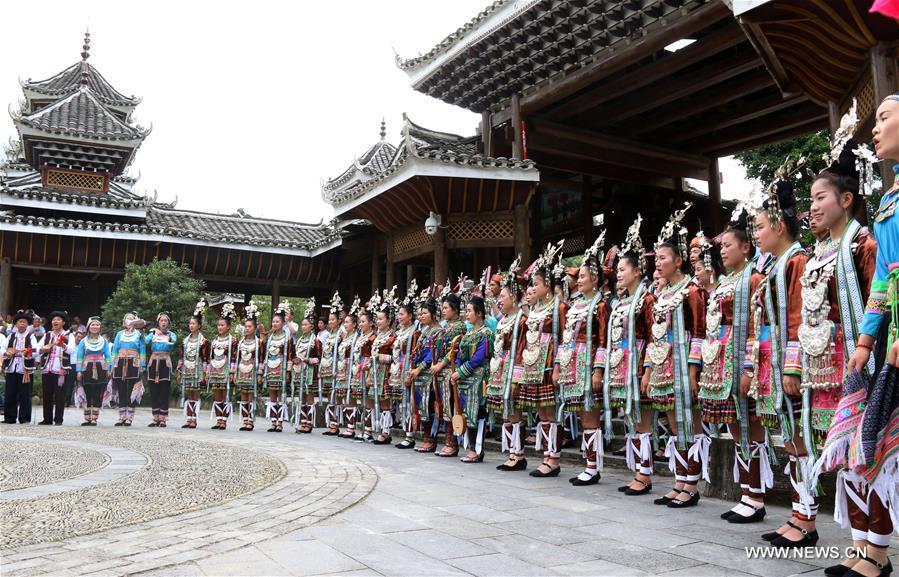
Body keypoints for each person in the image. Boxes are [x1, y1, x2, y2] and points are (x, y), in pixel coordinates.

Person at [819, 95, 898, 577]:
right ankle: (873, 550)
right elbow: (886, 282)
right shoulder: (891, 203)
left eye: (885, 117)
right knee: (873, 444)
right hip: (883, 350)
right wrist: (867, 339)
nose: (876, 128)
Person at [747, 171, 811, 546]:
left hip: (789, 361)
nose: (756, 233)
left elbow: (799, 315)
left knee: (800, 438)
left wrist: (792, 365)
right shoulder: (773, 265)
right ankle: (797, 514)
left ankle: (807, 519)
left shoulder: (797, 261)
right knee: (789, 438)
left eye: (759, 226)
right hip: (772, 361)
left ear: (779, 225)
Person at [695, 211, 769, 522]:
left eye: (729, 245)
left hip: (743, 364)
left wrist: (750, 368)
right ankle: (745, 493)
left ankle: (757, 496)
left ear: (746, 247)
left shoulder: (754, 279)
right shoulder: (727, 283)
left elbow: (759, 323)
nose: (722, 250)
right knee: (735, 429)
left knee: (750, 428)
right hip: (722, 365)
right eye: (721, 246)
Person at [642, 203, 709, 509]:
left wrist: (694, 370)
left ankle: (692, 485)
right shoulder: (660, 295)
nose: (658, 263)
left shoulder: (692, 291)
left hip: (683, 364)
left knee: (688, 422)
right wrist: (648, 370)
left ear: (679, 260)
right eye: (656, 258)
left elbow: (699, 331)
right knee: (672, 422)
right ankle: (679, 479)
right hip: (662, 364)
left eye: (663, 257)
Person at [607, 216, 657, 496]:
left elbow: (652, 336)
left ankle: (644, 473)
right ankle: (639, 470)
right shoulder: (623, 301)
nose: (618, 273)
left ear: (637, 271)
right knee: (633, 421)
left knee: (643, 420)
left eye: (623, 269)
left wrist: (648, 370)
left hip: (639, 364)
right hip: (623, 365)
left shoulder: (647, 300)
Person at [558, 233, 610, 486]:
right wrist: (560, 364)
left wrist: (598, 370)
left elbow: (602, 339)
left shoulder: (601, 306)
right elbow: (566, 338)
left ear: (595, 279)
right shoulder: (574, 305)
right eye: (577, 277)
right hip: (573, 366)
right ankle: (588, 463)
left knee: (591, 416)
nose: (578, 280)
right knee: (581, 416)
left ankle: (592, 466)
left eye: (582, 276)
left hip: (589, 367)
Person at [514, 242, 568, 477]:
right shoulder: (532, 312)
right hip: (533, 365)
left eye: (536, 284)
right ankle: (547, 455)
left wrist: (558, 366)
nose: (532, 288)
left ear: (548, 286)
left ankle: (553, 459)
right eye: (531, 285)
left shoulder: (559, 308)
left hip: (548, 364)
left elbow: (565, 338)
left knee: (550, 411)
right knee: (542, 413)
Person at [489, 258, 529, 471]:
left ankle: (518, 453)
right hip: (500, 368)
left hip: (513, 368)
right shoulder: (504, 320)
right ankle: (513, 452)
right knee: (507, 411)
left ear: (514, 297)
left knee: (515, 410)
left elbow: (522, 349)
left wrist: (516, 377)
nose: (499, 300)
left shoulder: (521, 320)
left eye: (502, 296)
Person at [449, 295, 492, 463]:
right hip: (465, 379)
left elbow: (479, 358)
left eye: (469, 311)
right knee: (466, 412)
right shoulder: (468, 334)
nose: (466, 314)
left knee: (478, 413)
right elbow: (461, 355)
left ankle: (477, 449)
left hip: (479, 377)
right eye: (465, 311)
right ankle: (470, 447)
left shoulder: (486, 333)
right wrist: (457, 369)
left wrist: (461, 371)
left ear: (479, 313)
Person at [430, 290, 468, 457]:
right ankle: (447, 441)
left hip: (450, 370)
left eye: (446, 308)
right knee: (445, 405)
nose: (443, 311)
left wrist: (440, 364)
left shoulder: (459, 327)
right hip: (441, 370)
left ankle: (452, 443)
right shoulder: (446, 327)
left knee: (451, 405)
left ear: (454, 309)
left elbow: (453, 351)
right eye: (442, 308)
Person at [407, 295, 444, 453]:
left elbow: (432, 355)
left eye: (425, 313)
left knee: (428, 406)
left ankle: (431, 439)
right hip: (418, 374)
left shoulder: (438, 331)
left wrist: (419, 368)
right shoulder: (423, 331)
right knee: (421, 407)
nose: (421, 316)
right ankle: (425, 437)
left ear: (433, 314)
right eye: (420, 314)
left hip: (429, 375)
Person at [368, 289, 398, 445]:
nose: (378, 322)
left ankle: (386, 432)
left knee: (385, 402)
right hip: (376, 372)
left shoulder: (393, 337)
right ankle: (381, 430)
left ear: (388, 320)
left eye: (381, 319)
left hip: (386, 372)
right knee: (378, 401)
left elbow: (397, 357)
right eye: (377, 319)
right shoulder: (377, 336)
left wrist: (380, 358)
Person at [35, 311, 76, 425]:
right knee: (47, 394)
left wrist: (62, 345)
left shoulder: (69, 335)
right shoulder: (48, 335)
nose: (55, 321)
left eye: (58, 319)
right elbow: (38, 348)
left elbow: (72, 350)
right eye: (53, 319)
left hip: (61, 369)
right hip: (47, 368)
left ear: (63, 322)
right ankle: (47, 419)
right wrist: (44, 349)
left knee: (60, 395)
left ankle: (58, 419)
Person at [392, 283, 420, 449]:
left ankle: (410, 435)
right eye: (398, 314)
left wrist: (410, 372)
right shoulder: (399, 333)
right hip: (397, 370)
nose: (400, 317)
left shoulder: (414, 333)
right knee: (401, 403)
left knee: (408, 402)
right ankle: (404, 432)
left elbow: (414, 353)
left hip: (407, 370)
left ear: (410, 316)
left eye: (402, 314)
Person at [74, 317, 112, 426]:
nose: (95, 327)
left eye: (97, 325)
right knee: (87, 391)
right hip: (87, 368)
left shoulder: (103, 341)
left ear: (100, 327)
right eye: (92, 325)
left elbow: (108, 356)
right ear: (88, 327)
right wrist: (78, 371)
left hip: (101, 367)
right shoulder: (83, 341)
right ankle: (87, 417)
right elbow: (80, 357)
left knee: (97, 392)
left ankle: (94, 417)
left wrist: (109, 368)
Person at [178, 300, 209, 429]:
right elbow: (181, 357)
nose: (191, 325)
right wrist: (179, 372)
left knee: (195, 394)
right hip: (187, 369)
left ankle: (194, 419)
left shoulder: (204, 341)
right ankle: (188, 417)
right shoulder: (185, 340)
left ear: (199, 326)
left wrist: (206, 373)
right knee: (189, 393)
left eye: (193, 323)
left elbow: (206, 359)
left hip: (198, 370)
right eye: (190, 323)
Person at [293, 298, 322, 433]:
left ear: (311, 326)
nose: (303, 326)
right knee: (302, 397)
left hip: (310, 372)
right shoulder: (299, 340)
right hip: (299, 371)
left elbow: (319, 359)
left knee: (309, 395)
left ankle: (309, 422)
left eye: (306, 325)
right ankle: (303, 421)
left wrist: (307, 360)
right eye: (302, 324)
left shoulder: (315, 341)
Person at [264, 301, 294, 432]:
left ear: (282, 323)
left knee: (280, 395)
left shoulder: (287, 338)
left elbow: (290, 356)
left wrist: (288, 372)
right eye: (273, 322)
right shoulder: (270, 338)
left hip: (281, 369)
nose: (275, 324)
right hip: (271, 368)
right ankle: (273, 422)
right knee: (272, 396)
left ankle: (280, 422)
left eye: (277, 321)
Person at [111, 313, 146, 426]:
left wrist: (142, 364)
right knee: (121, 390)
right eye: (127, 318)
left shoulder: (139, 334)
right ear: (124, 320)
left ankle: (129, 417)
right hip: (120, 363)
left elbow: (142, 350)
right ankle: (121, 416)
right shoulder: (119, 334)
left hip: (134, 363)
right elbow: (115, 350)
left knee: (132, 390)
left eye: (132, 318)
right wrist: (112, 364)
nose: (129, 320)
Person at [208, 304, 238, 430]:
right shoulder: (214, 340)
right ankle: (218, 419)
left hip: (226, 370)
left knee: (226, 395)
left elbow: (234, 357)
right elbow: (210, 356)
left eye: (222, 325)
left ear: (229, 327)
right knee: (216, 395)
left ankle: (224, 420)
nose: (220, 327)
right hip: (215, 369)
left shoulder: (233, 341)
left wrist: (232, 372)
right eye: (218, 325)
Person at [3, 310, 36, 424]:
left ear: (27, 325)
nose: (22, 324)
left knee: (25, 394)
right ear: (16, 324)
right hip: (12, 367)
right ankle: (9, 417)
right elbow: (2, 348)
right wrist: (7, 353)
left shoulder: (31, 337)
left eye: (24, 322)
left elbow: (35, 350)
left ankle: (24, 418)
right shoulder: (11, 336)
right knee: (10, 392)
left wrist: (28, 351)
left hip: (25, 368)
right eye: (20, 322)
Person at [145, 312, 177, 427]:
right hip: (153, 362)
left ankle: (163, 418)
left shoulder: (171, 334)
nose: (163, 323)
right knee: (154, 391)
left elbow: (173, 342)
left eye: (165, 321)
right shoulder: (152, 333)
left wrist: (164, 336)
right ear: (158, 322)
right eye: (161, 321)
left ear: (168, 323)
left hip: (165, 362)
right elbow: (145, 341)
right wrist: (143, 331)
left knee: (164, 391)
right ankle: (155, 418)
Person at [319, 294, 344, 436]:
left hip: (336, 369)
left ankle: (336, 423)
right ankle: (331, 424)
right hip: (327, 368)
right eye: (329, 319)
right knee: (330, 395)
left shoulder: (341, 334)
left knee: (336, 395)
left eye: (333, 319)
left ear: (339, 320)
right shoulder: (328, 335)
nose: (330, 321)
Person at [338, 297, 362, 438]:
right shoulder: (344, 337)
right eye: (344, 322)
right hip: (342, 369)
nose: (345, 324)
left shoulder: (356, 338)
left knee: (351, 397)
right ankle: (348, 426)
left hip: (351, 370)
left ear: (354, 324)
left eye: (347, 322)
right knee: (344, 397)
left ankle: (352, 427)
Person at [236, 302, 263, 431]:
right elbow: (237, 357)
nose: (247, 329)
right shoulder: (241, 341)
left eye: (249, 326)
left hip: (252, 370)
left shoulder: (259, 342)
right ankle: (244, 419)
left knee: (250, 394)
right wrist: (234, 372)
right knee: (243, 394)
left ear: (255, 328)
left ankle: (250, 421)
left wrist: (259, 373)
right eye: (245, 326)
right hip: (242, 369)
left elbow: (262, 358)